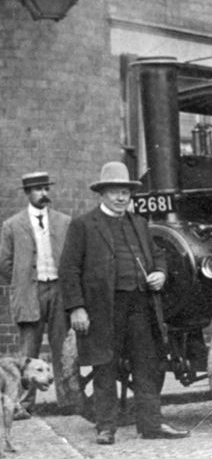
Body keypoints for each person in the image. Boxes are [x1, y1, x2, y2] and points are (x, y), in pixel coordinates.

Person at [59, 161, 189, 444]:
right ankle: (106, 427)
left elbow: (158, 255)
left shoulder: (140, 224)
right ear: (102, 194)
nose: (121, 198)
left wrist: (159, 273)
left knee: (147, 364)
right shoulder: (83, 225)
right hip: (103, 308)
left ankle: (151, 424)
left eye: (125, 193)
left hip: (140, 306)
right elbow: (69, 270)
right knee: (105, 365)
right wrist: (76, 308)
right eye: (115, 192)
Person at [0, 172, 74, 418]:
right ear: (27, 193)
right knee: (28, 352)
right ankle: (24, 404)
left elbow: (73, 258)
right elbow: (4, 263)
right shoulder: (12, 225)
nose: (44, 194)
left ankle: (68, 400)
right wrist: (22, 281)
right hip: (29, 293)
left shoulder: (64, 222)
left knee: (62, 345)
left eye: (46, 189)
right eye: (38, 190)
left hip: (59, 291)